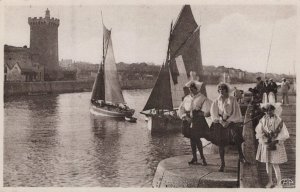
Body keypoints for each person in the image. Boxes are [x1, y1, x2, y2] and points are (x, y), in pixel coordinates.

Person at [210, 83, 247, 172]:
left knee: (236, 137)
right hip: (220, 122)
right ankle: (222, 163)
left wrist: (229, 121)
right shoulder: (216, 101)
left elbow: (236, 112)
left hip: (231, 121)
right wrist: (220, 121)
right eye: (219, 90)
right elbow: (213, 113)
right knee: (220, 143)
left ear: (226, 90)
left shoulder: (232, 100)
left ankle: (241, 156)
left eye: (223, 89)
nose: (221, 91)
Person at [255, 103, 289, 188]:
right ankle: (270, 181)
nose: (269, 112)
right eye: (267, 110)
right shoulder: (263, 119)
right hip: (266, 142)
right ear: (265, 111)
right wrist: (263, 136)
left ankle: (279, 183)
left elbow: (283, 133)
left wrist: (276, 140)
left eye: (271, 110)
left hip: (275, 143)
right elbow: (259, 129)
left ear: (274, 110)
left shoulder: (278, 120)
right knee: (268, 163)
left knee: (275, 164)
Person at [178, 82, 211, 165]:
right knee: (192, 139)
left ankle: (202, 157)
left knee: (196, 138)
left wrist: (201, 113)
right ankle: (195, 158)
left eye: (192, 89)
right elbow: (181, 109)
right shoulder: (186, 98)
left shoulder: (202, 98)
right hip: (188, 120)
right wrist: (184, 116)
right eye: (190, 89)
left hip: (198, 121)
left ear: (197, 89)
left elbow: (207, 111)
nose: (191, 91)